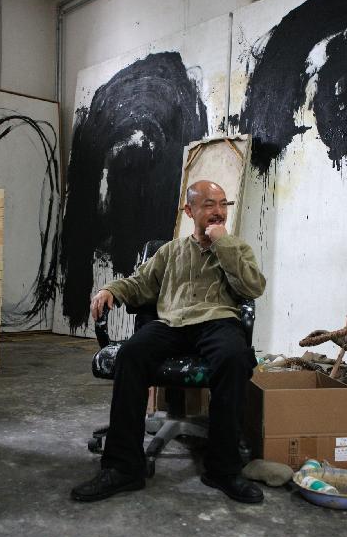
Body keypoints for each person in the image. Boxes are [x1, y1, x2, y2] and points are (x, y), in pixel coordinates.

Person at [71, 180, 267, 503]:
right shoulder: (170, 252)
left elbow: (252, 287)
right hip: (173, 323)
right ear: (189, 211)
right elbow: (139, 283)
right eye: (208, 205)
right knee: (131, 354)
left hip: (218, 322)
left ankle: (223, 470)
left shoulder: (237, 248)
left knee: (234, 358)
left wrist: (223, 244)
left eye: (222, 204)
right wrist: (111, 290)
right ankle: (123, 469)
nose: (218, 212)